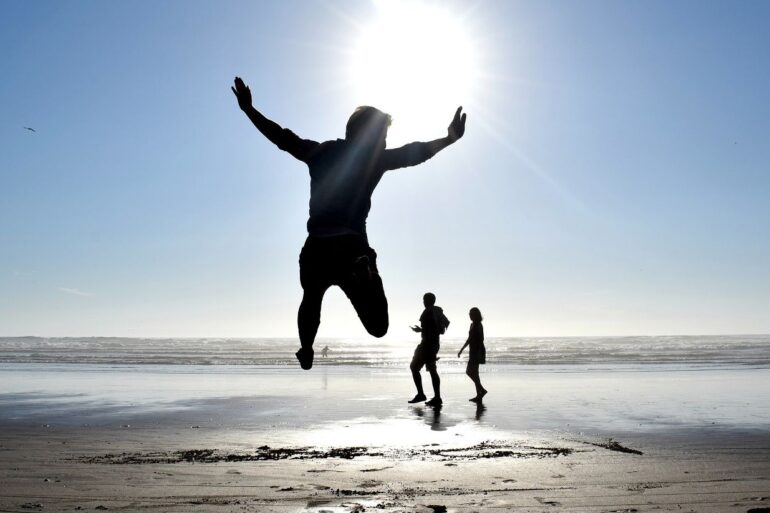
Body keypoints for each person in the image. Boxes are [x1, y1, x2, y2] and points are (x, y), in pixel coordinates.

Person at [231, 77, 467, 370]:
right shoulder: (375, 159)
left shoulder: (321, 152)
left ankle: (306, 348)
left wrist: (249, 110)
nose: (384, 142)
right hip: (352, 247)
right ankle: (365, 274)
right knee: (379, 327)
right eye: (381, 136)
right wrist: (449, 139)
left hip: (317, 246)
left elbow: (281, 137)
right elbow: (414, 153)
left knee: (311, 298)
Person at [409, 292, 449, 406]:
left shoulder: (427, 311)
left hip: (427, 344)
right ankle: (436, 397)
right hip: (434, 344)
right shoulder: (438, 311)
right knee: (431, 369)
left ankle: (423, 395)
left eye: (424, 300)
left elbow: (430, 328)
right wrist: (422, 330)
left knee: (414, 367)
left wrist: (422, 331)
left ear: (427, 301)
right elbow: (442, 328)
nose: (423, 302)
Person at [457, 307, 487, 402]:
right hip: (473, 351)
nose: (469, 315)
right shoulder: (472, 325)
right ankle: (479, 395)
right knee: (475, 373)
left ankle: (482, 390)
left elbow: (481, 339)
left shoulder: (478, 325)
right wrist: (461, 349)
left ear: (475, 315)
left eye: (471, 314)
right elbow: (469, 339)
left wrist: (477, 352)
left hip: (477, 351)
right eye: (469, 314)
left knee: (469, 372)